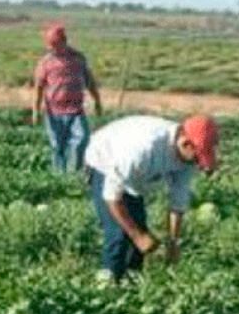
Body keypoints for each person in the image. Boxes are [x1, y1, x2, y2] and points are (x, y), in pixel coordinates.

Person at [83, 114, 220, 281]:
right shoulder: (143, 149)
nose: (198, 163)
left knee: (139, 227)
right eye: (198, 157)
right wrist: (137, 236)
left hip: (136, 174)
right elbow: (112, 196)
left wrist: (173, 242)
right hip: (104, 160)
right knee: (119, 233)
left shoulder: (188, 158)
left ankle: (132, 281)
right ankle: (106, 282)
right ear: (185, 143)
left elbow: (178, 201)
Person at [32, 24, 103, 173]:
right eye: (50, 45)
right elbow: (38, 87)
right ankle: (59, 176)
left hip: (76, 109)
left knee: (82, 138)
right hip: (54, 112)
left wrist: (97, 101)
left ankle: (74, 172)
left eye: (55, 45)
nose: (52, 49)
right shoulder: (46, 62)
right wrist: (36, 110)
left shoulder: (78, 58)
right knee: (58, 146)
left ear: (64, 42)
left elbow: (89, 81)